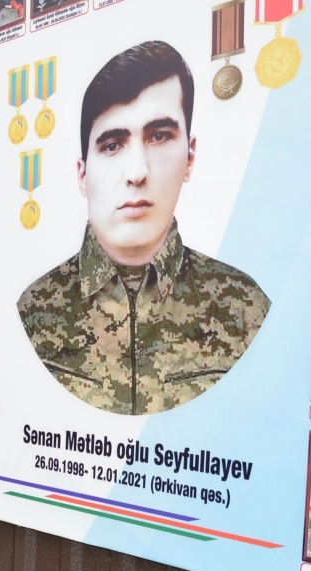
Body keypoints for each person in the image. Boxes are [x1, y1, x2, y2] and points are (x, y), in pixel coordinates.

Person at [17, 41, 270, 415]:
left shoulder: (247, 309)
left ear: (190, 157)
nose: (137, 172)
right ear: (82, 175)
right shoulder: (32, 310)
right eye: (112, 145)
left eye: (159, 136)